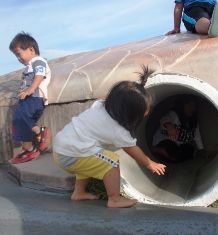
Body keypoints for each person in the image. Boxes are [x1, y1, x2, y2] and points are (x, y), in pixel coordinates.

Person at [52, 65, 166, 208]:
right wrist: (150, 164)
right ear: (130, 114)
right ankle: (114, 199)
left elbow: (107, 97)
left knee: (90, 158)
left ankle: (79, 192)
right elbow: (131, 149)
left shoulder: (99, 105)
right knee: (111, 161)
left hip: (61, 148)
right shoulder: (118, 130)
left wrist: (129, 90)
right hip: (71, 154)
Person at [9, 31, 51, 164]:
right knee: (20, 121)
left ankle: (40, 131)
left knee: (21, 117)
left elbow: (39, 75)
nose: (18, 58)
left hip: (34, 97)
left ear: (31, 49)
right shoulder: (29, 66)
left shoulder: (38, 61)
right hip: (28, 98)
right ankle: (28, 149)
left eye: (19, 54)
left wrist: (31, 89)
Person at [151, 94, 211, 163]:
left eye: (194, 105)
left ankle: (163, 156)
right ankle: (153, 149)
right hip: (164, 141)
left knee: (193, 151)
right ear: (182, 105)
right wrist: (170, 126)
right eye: (188, 104)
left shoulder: (193, 122)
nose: (192, 108)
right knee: (176, 154)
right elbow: (164, 119)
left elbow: (197, 138)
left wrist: (202, 152)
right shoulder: (174, 115)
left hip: (178, 146)